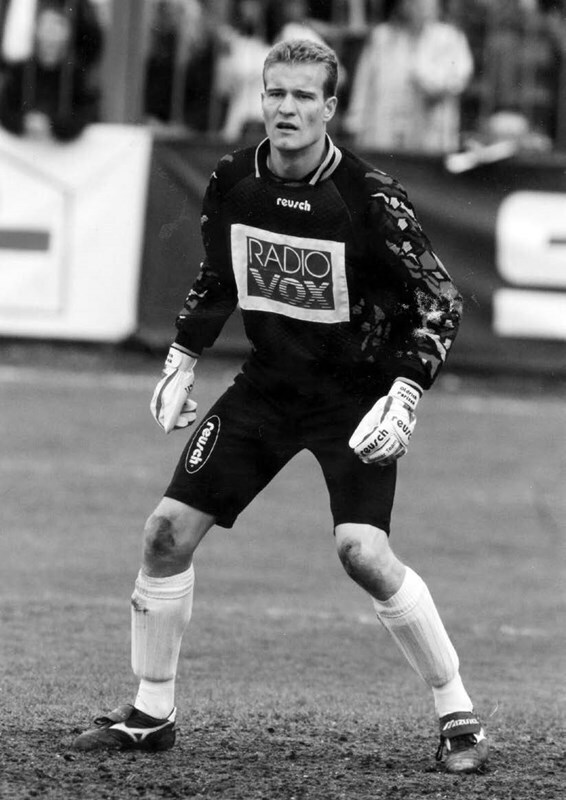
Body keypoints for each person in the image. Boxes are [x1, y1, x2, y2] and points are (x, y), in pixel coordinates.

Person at [72, 38, 488, 774]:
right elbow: (218, 275)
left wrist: (405, 390)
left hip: (355, 397)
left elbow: (440, 297)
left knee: (362, 553)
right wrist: (182, 357)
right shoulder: (233, 178)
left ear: (330, 108)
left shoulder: (370, 197)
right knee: (165, 534)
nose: (286, 108)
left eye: (303, 96)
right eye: (276, 93)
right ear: (261, 97)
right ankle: (151, 713)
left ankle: (459, 717)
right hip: (267, 387)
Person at [343, 0, 473, 152]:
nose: (420, 6)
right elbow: (364, 82)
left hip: (428, 134)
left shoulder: (450, 37)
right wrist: (355, 120)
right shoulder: (382, 36)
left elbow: (458, 79)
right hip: (384, 131)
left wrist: (428, 80)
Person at [0, 0, 103, 142]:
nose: (51, 32)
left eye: (58, 25)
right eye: (46, 25)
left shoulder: (76, 76)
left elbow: (87, 114)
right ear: (36, 29)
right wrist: (23, 122)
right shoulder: (20, 72)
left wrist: (52, 125)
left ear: (68, 32)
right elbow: (5, 109)